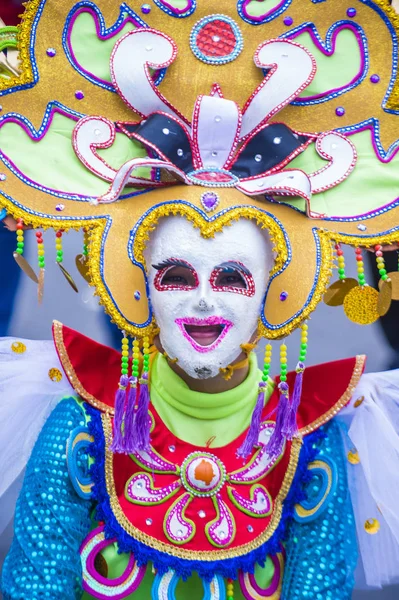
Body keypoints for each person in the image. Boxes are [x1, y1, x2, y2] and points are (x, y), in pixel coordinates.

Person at [1, 1, 399, 598]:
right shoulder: (81, 428)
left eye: (234, 279)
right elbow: (37, 583)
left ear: (273, 293)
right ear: (140, 289)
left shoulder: (307, 442)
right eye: (177, 277)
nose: (204, 304)